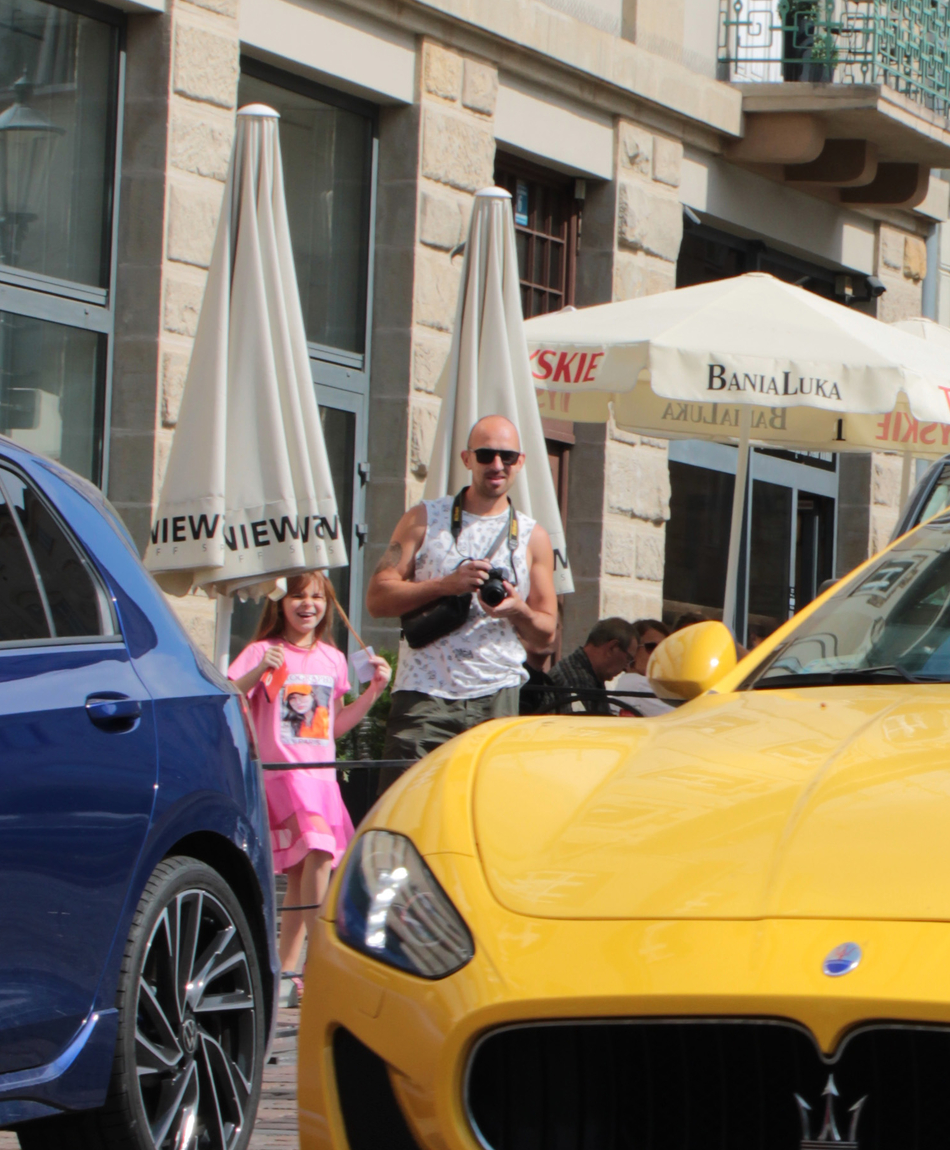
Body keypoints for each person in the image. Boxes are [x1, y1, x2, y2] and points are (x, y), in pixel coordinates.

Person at [227, 569, 389, 1006]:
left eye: (318, 597)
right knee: (318, 853)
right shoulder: (264, 650)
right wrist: (260, 668)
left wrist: (373, 691)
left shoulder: (333, 659)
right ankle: (322, 962)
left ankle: (285, 971)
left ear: (327, 605)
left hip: (321, 776)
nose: (308, 605)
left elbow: (333, 727)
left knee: (304, 872)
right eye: (298, 596)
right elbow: (227, 694)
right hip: (283, 776)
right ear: (280, 603)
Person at [369, 418, 560, 754]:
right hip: (424, 695)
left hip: (497, 697)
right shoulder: (424, 518)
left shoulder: (534, 537)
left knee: (485, 807)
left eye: (508, 456)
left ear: (521, 461)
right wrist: (445, 585)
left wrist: (519, 610)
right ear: (466, 459)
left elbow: (546, 634)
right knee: (412, 804)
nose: (497, 465)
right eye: (485, 455)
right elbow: (377, 599)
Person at [521, 616, 643, 718]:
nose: (626, 667)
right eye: (628, 658)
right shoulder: (572, 679)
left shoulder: (591, 676)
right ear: (612, 647)